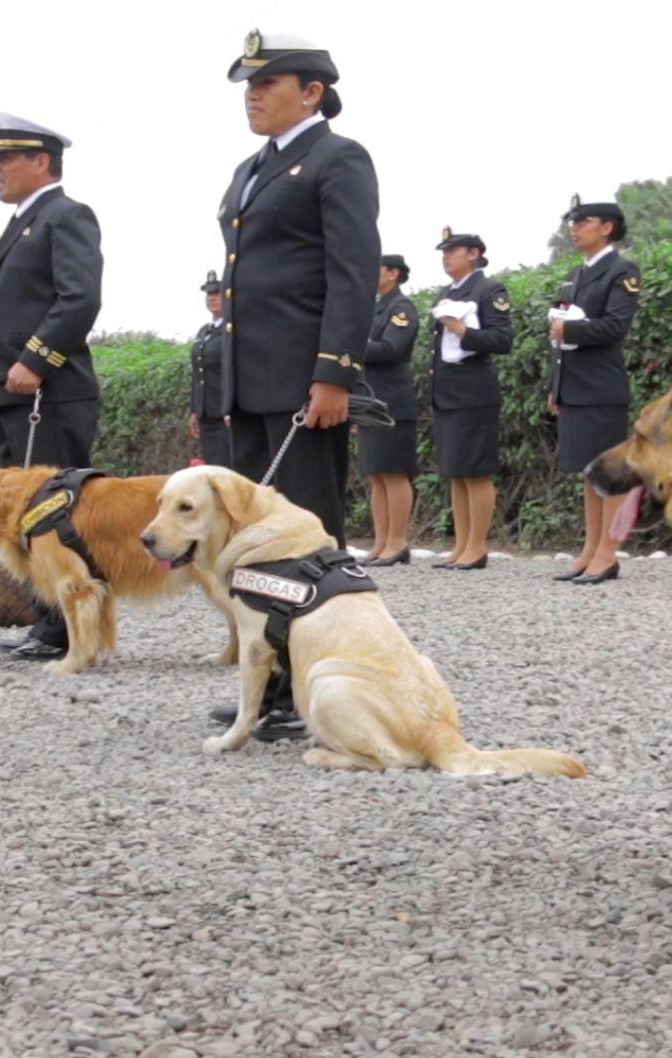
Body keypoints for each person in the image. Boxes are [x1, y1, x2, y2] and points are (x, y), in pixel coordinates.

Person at [211, 30, 381, 738]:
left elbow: (351, 269)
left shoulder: (337, 158)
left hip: (302, 381)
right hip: (249, 380)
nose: (252, 95)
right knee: (256, 543)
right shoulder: (255, 167)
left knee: (306, 537)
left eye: (267, 82)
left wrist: (334, 371)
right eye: (247, 84)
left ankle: (317, 682)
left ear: (311, 91)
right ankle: (272, 685)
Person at [0, 112, 105, 662]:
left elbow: (79, 299)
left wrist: (36, 358)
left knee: (53, 517)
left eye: (6, 158)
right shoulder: (23, 221)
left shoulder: (65, 215)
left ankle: (65, 630)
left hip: (49, 391)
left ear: (40, 161)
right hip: (16, 394)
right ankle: (47, 620)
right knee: (27, 516)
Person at [549, 195, 640, 585]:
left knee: (610, 474)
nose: (575, 227)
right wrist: (557, 387)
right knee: (589, 474)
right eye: (574, 221)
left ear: (607, 227)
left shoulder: (621, 270)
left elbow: (615, 326)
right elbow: (561, 336)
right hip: (576, 386)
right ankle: (590, 549)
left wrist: (569, 329)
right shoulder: (578, 274)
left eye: (583, 221)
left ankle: (608, 553)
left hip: (602, 386)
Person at [427, 228, 512, 570]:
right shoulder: (448, 292)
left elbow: (502, 339)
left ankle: (476, 547)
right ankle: (461, 545)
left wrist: (462, 330)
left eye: (453, 250)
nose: (446, 257)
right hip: (447, 393)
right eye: (444, 252)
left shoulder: (489, 290)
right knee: (457, 472)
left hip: (474, 393)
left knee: (476, 471)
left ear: (474, 253)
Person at [361, 254, 422, 566]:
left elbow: (391, 349)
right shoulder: (374, 308)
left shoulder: (401, 309)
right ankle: (381, 541)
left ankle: (397, 542)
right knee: (376, 474)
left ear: (393, 273)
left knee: (394, 472)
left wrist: (352, 346)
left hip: (393, 400)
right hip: (371, 401)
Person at [188, 270, 231, 467]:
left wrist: (231, 407)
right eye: (209, 295)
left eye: (217, 294)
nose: (212, 299)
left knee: (227, 469)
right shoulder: (204, 332)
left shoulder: (231, 331)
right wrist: (194, 410)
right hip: (206, 413)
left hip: (224, 414)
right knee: (211, 467)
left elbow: (233, 370)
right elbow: (197, 374)